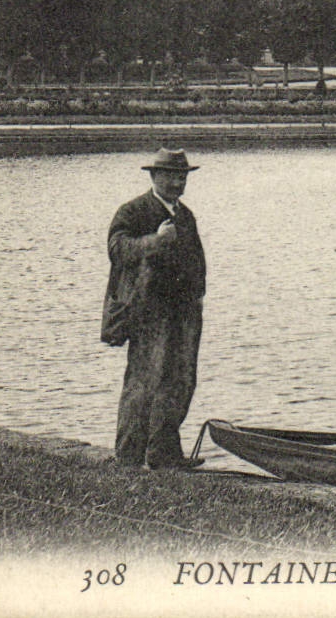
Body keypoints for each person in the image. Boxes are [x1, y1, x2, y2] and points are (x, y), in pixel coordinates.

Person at [106, 148, 207, 470]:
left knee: (180, 382)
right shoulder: (133, 211)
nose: (178, 183)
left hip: (184, 313)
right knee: (144, 382)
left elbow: (197, 259)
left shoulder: (185, 215)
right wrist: (157, 240)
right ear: (154, 176)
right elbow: (117, 249)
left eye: (183, 177)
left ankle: (165, 454)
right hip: (149, 313)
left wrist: (197, 297)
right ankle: (129, 457)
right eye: (171, 176)